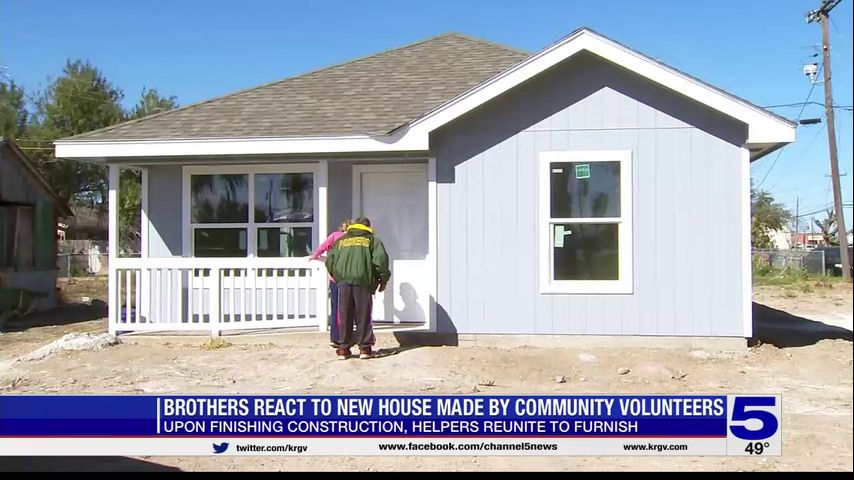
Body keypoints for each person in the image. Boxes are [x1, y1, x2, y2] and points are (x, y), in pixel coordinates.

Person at [325, 217, 390, 360]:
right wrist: (383, 279)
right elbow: (380, 261)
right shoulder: (372, 241)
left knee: (344, 314)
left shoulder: (341, 241)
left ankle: (343, 349)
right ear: (368, 227)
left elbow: (330, 261)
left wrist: (338, 275)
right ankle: (365, 349)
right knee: (363, 315)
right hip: (364, 281)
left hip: (343, 282)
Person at [310, 219, 351, 347]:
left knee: (335, 307)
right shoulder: (353, 239)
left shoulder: (334, 236)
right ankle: (346, 336)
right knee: (348, 307)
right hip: (349, 276)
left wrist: (315, 255)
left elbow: (323, 247)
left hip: (335, 276)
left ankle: (335, 337)